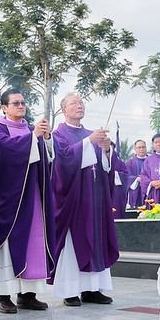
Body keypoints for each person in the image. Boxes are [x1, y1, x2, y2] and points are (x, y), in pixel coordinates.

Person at [0, 89, 56, 314]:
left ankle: (28, 295)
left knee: (33, 243)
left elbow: (47, 159)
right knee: (8, 244)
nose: (21, 106)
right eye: (15, 103)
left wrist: (46, 139)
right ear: (4, 108)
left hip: (33, 196)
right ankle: (2, 295)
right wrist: (33, 137)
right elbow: (4, 154)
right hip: (10, 198)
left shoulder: (30, 128)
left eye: (23, 103)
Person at [50, 94, 119, 307]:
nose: (79, 106)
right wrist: (89, 142)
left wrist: (106, 150)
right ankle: (70, 291)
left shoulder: (91, 134)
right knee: (75, 242)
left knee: (96, 239)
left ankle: (92, 290)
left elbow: (106, 166)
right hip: (74, 200)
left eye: (81, 103)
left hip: (95, 197)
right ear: (64, 110)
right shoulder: (58, 135)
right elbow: (62, 162)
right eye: (74, 103)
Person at [125, 140, 148, 210]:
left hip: (149, 190)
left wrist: (145, 181)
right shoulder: (130, 162)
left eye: (143, 147)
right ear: (135, 149)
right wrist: (137, 179)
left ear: (146, 148)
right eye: (139, 147)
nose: (141, 149)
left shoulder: (151, 161)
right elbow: (126, 176)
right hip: (136, 191)